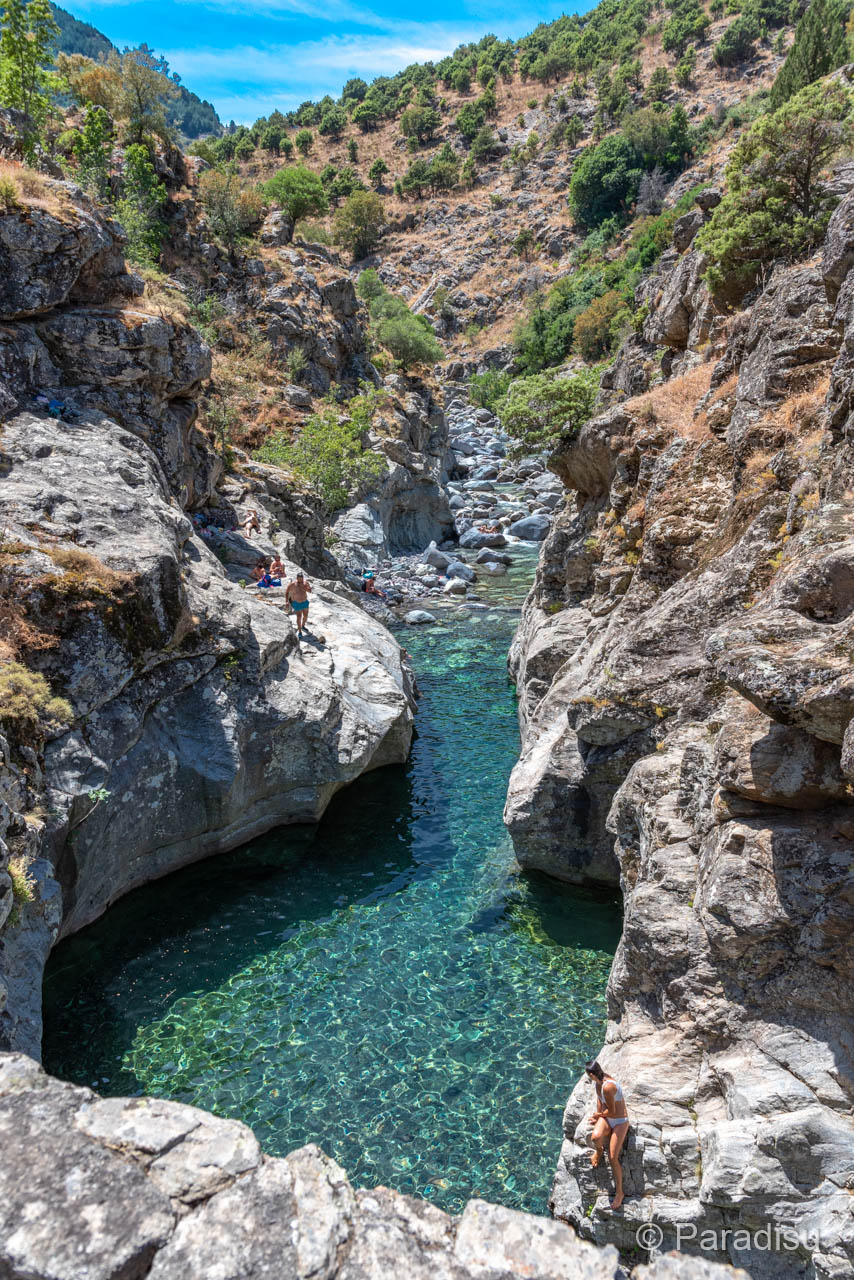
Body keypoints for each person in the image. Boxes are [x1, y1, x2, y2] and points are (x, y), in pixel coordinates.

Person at [585, 1059, 629, 1210]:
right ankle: (598, 1151)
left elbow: (613, 1111)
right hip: (608, 1118)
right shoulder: (598, 1082)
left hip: (620, 1121)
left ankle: (619, 1193)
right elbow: (600, 1100)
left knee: (612, 1157)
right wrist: (599, 1117)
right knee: (595, 1137)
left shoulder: (608, 1086)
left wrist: (598, 1115)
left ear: (591, 1074)